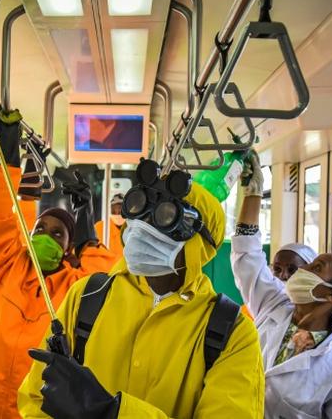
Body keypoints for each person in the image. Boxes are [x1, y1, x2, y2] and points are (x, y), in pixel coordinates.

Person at [18, 159, 265, 418]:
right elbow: (35, 398)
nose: (142, 228)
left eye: (163, 218)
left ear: (197, 246)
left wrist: (112, 412)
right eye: (141, 213)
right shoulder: (87, 296)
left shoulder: (230, 333)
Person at [0, 107, 115, 418]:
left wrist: (85, 219)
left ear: (66, 248)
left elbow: (101, 276)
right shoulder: (7, 265)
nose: (46, 235)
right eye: (40, 229)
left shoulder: (72, 288)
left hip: (35, 408)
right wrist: (4, 157)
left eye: (57, 234)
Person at [231, 152, 332, 418]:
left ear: (331, 295)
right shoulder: (274, 306)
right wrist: (253, 193)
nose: (301, 270)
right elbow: (247, 255)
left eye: (315, 268)